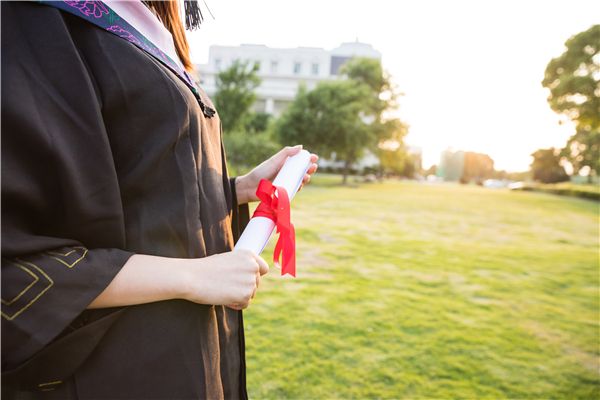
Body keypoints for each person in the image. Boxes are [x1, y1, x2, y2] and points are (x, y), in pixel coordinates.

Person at [1, 1, 318, 398]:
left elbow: (144, 190)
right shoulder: (32, 18)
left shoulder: (152, 28)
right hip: (116, 369)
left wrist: (239, 190)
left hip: (197, 347)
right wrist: (192, 276)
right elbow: (12, 258)